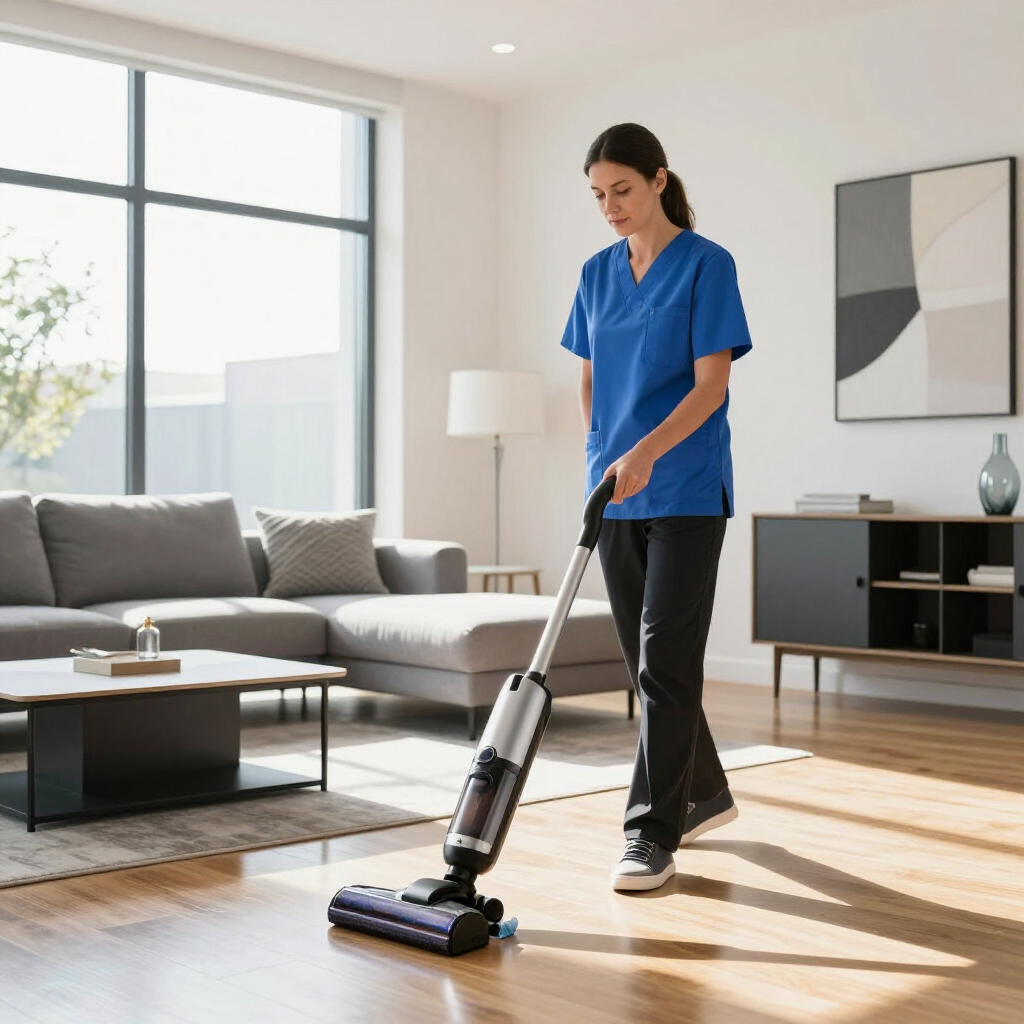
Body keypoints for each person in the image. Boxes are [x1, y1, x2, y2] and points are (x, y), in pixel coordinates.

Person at [560, 123, 752, 892]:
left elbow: (712, 387)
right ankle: (702, 792)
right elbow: (588, 378)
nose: (610, 206)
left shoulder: (708, 265)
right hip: (615, 492)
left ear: (660, 181)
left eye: (623, 190)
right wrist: (606, 454)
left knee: (667, 658)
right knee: (647, 666)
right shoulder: (596, 272)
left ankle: (650, 834)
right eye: (599, 195)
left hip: (687, 489)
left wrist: (645, 453)